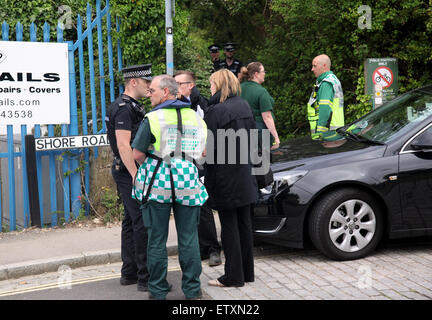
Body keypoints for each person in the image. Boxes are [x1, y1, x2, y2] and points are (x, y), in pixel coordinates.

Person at [132, 75, 208, 300]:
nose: (149, 94)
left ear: (165, 92)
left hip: (159, 182)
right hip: (188, 180)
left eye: (153, 90)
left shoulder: (152, 118)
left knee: (156, 239)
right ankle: (193, 291)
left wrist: (151, 161)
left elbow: (137, 153)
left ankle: (157, 290)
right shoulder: (195, 116)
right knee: (189, 237)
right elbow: (203, 152)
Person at [204, 69, 258, 287]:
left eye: (211, 84)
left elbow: (209, 148)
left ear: (218, 85)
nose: (209, 88)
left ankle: (233, 277)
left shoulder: (215, 111)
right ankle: (247, 272)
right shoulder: (244, 105)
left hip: (225, 175)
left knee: (229, 228)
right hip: (244, 171)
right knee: (244, 224)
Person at [106, 64, 152, 292]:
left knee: (130, 221)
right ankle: (145, 278)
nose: (149, 86)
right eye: (146, 82)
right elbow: (124, 145)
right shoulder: (124, 108)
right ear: (133, 82)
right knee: (141, 221)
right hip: (128, 171)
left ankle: (130, 273)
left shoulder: (130, 105)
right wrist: (136, 174)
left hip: (127, 170)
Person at [173, 70, 222, 267]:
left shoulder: (200, 105)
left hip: (198, 161)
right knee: (186, 205)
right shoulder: (175, 104)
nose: (175, 86)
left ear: (190, 85)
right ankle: (199, 249)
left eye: (178, 83)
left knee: (203, 205)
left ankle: (212, 248)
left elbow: (208, 132)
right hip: (180, 159)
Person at [239, 61, 280, 150]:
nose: (264, 74)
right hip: (261, 133)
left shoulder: (239, 88)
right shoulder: (261, 91)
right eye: (263, 72)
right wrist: (276, 137)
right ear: (256, 74)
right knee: (265, 161)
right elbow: (267, 117)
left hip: (243, 131)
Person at [307, 54, 345, 141]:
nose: (312, 69)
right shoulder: (332, 80)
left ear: (324, 66)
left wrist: (320, 134)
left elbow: (325, 110)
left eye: (315, 66)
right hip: (335, 131)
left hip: (328, 134)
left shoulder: (326, 83)